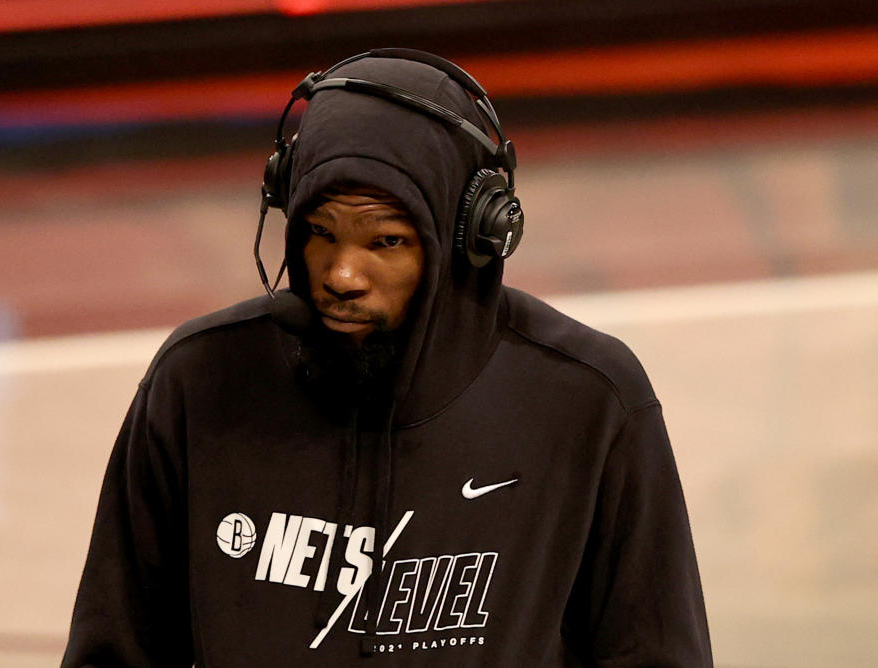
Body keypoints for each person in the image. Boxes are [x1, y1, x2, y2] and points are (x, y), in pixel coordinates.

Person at [63, 49, 712, 666]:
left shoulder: (586, 401)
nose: (342, 273)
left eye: (386, 240)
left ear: (470, 238)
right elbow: (114, 655)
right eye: (319, 233)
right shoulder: (198, 381)